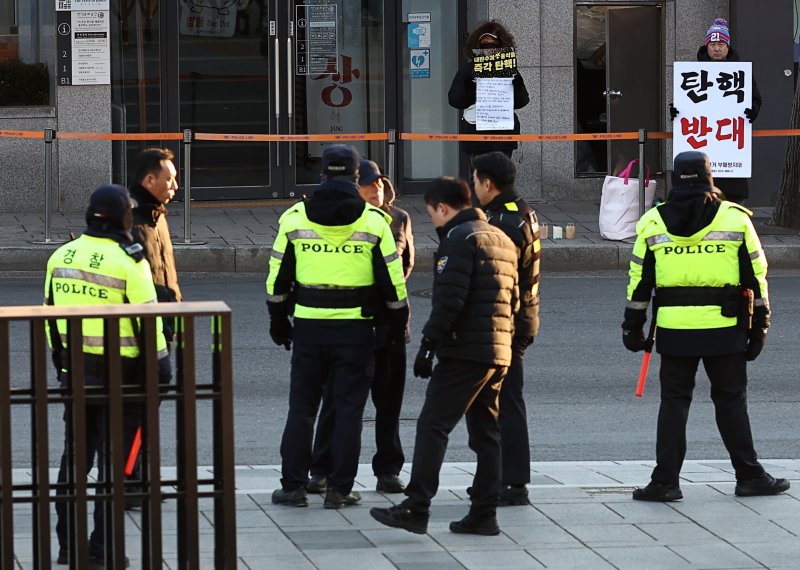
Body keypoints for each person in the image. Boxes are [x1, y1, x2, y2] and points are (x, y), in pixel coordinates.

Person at [623, 151, 789, 502]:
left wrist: (633, 327)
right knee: (730, 401)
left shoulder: (652, 222)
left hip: (674, 329)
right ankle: (749, 475)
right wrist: (761, 326)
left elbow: (639, 282)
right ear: (708, 178)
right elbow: (757, 278)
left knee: (673, 403)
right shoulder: (736, 218)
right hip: (724, 328)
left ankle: (665, 482)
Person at [370, 177, 519, 536]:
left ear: (442, 207)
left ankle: (416, 506)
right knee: (486, 434)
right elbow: (513, 299)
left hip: (465, 350)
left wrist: (427, 345)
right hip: (499, 349)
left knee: (432, 425)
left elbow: (449, 300)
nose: (433, 221)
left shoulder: (459, 239)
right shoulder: (500, 237)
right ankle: (484, 514)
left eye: (432, 213)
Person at [267, 145, 409, 509]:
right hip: (357, 332)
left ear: (322, 174)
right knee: (349, 411)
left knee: (301, 409)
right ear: (355, 174)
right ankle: (340, 490)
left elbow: (276, 279)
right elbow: (394, 286)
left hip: (310, 329)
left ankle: (294, 486)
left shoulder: (294, 217)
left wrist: (279, 321)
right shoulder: (375, 222)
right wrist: (395, 328)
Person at [48, 184, 171, 567]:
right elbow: (149, 324)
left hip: (77, 374)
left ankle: (69, 544)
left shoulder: (60, 255)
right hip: (128, 379)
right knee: (118, 467)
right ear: (122, 218)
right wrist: (162, 370)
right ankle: (103, 545)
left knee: (75, 460)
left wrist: (62, 365)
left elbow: (51, 317)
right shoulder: (128, 261)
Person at [308, 159, 414, 495]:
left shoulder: (398, 218)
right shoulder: (341, 216)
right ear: (355, 188)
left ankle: (388, 469)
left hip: (390, 324)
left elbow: (404, 262)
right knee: (336, 401)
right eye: (370, 184)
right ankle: (322, 469)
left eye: (381, 183)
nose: (377, 190)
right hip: (350, 323)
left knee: (388, 403)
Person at [472, 152, 540, 506]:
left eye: (475, 181)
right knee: (496, 400)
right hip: (518, 317)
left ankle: (513, 482)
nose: (472, 188)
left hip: (507, 322)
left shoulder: (503, 223)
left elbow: (498, 280)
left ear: (488, 183)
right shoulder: (518, 211)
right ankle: (496, 476)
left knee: (505, 402)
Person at [125, 147, 182, 508]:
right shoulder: (130, 218)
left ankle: (140, 477)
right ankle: (130, 481)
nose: (175, 184)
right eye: (169, 179)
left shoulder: (157, 215)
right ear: (149, 180)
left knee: (146, 410)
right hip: (139, 332)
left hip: (163, 326)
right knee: (135, 411)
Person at [669, 18, 761, 204]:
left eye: (721, 44)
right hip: (702, 139)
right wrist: (677, 112)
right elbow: (684, 102)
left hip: (729, 146)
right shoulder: (692, 73)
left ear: (728, 47)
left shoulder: (740, 74)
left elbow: (755, 98)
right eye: (712, 44)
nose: (716, 49)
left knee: (731, 195)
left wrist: (753, 110)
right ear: (707, 46)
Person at [448, 20, 530, 165]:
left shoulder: (509, 70)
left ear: (502, 46)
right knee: (479, 181)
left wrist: (517, 84)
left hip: (503, 135)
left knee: (501, 181)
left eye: (493, 45)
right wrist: (469, 88)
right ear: (476, 46)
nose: (489, 49)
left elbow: (522, 101)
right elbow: (454, 100)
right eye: (485, 45)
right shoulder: (468, 70)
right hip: (476, 136)